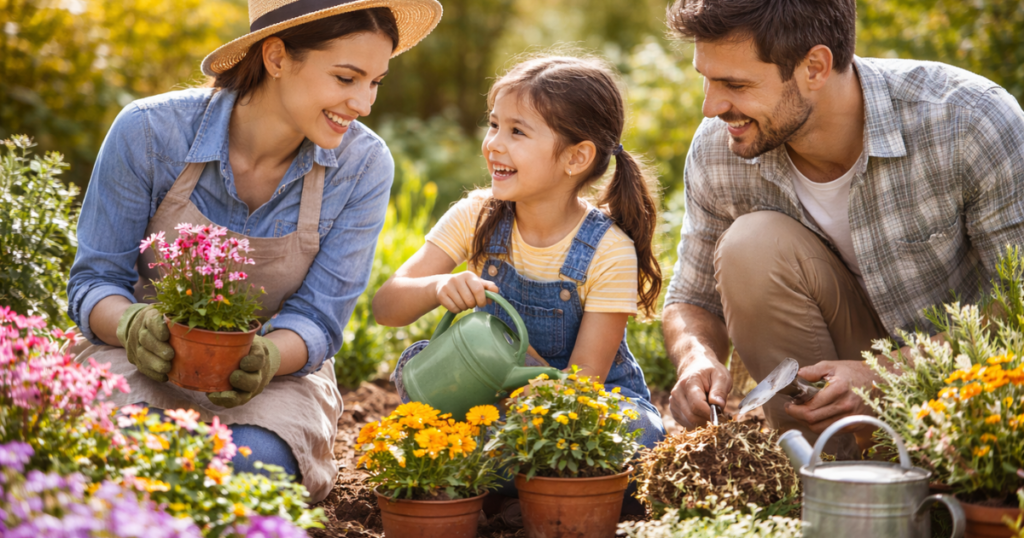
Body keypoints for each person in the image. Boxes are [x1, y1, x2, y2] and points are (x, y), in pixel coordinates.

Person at [65, 0, 442, 502]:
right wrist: (132, 325)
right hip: (137, 359)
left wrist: (265, 356)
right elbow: (95, 281)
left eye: (375, 81)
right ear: (277, 57)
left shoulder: (362, 166)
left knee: (250, 470)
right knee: (137, 458)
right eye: (347, 78)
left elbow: (319, 318)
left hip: (274, 380)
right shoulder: (149, 133)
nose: (364, 104)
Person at [661, 0, 1024, 456]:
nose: (711, 106)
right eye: (706, 78)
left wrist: (892, 372)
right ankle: (834, 485)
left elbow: (1019, 304)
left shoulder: (968, 121)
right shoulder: (720, 149)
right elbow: (691, 300)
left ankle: (948, 482)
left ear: (815, 67)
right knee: (750, 247)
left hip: (973, 391)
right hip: (832, 403)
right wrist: (695, 354)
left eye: (735, 84)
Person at [372, 55, 667, 504]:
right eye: (493, 125)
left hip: (577, 413)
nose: (493, 144)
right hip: (493, 400)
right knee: (422, 374)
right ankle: (534, 485)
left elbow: (582, 386)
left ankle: (494, 477)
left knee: (637, 434)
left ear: (576, 157)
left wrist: (530, 372)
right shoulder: (477, 216)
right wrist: (437, 288)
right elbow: (386, 307)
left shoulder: (608, 250)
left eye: (517, 132)